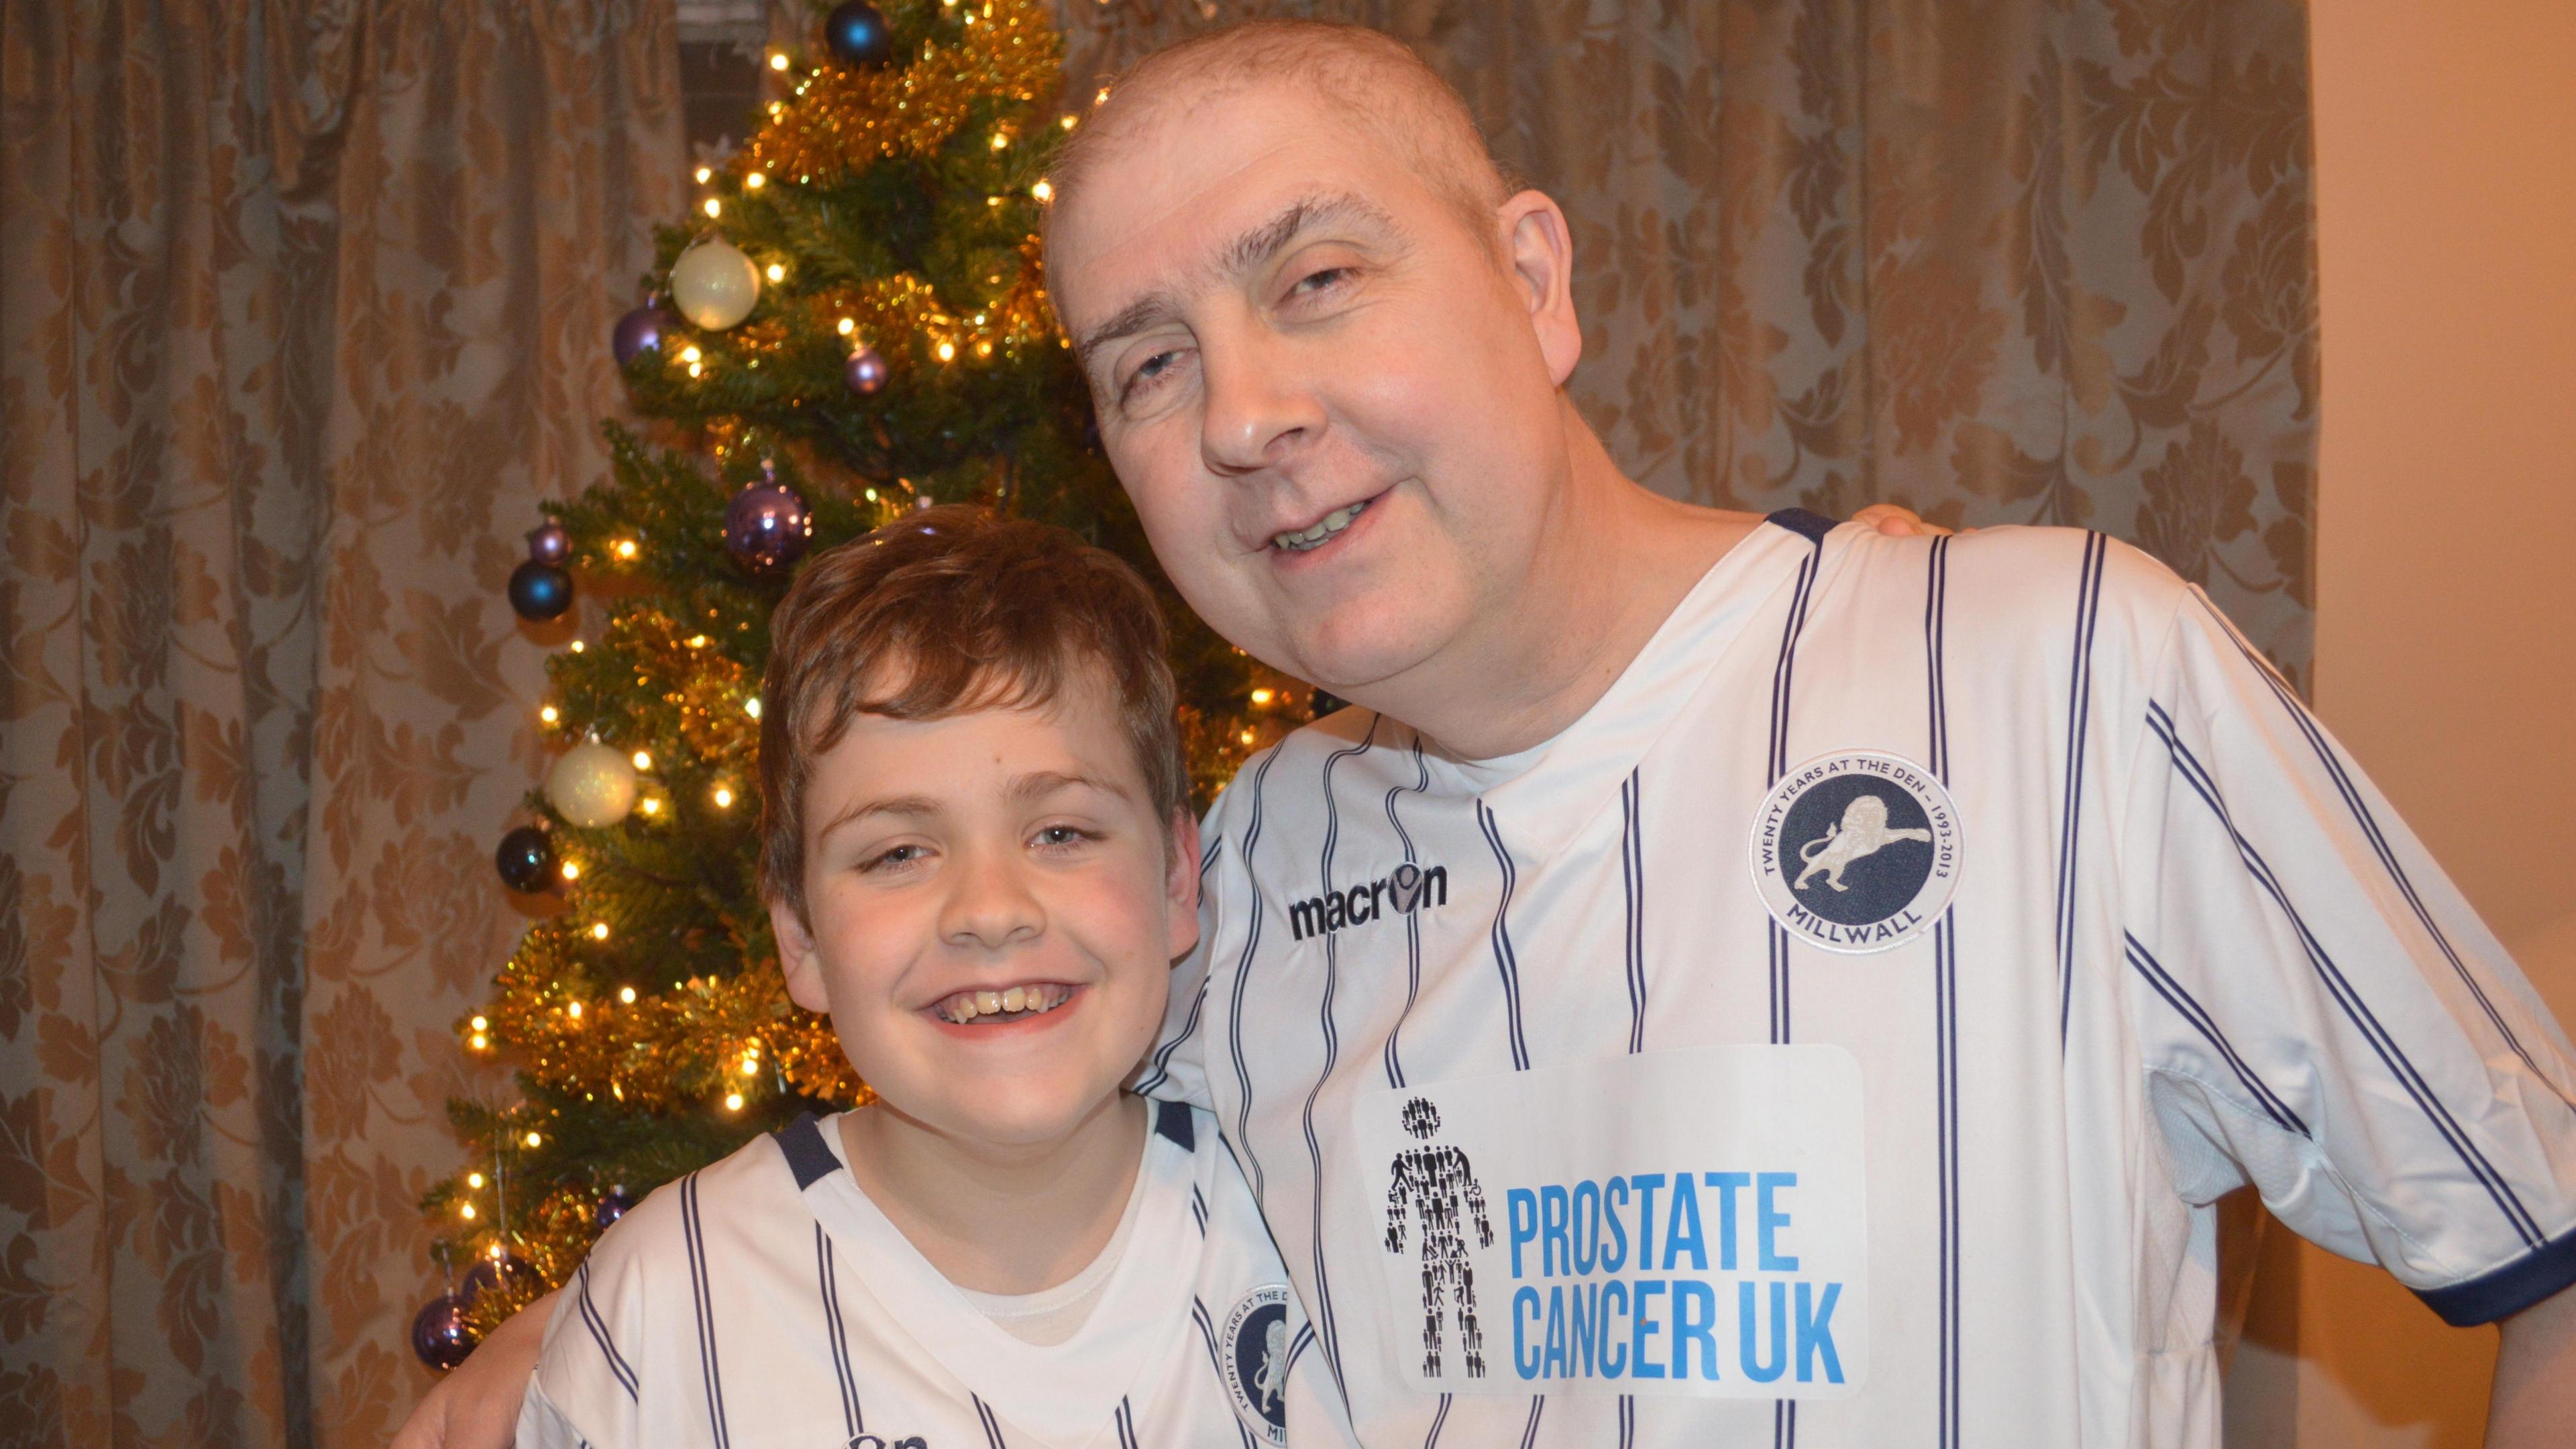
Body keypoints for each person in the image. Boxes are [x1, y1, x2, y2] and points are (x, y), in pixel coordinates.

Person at [401, 18, 2576, 1449]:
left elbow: (2544, 1239)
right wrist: (576, 1351)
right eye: (1146, 365)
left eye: (1318, 277)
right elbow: (946, 1151)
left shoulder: (2064, 680)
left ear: (1538, 283)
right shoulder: (1232, 876)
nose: (1246, 411)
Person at [508, 510, 1350, 1449]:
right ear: (801, 938)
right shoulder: (663, 1310)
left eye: (1061, 833)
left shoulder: (1314, 1228)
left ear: (1177, 880)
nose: (990, 910)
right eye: (900, 852)